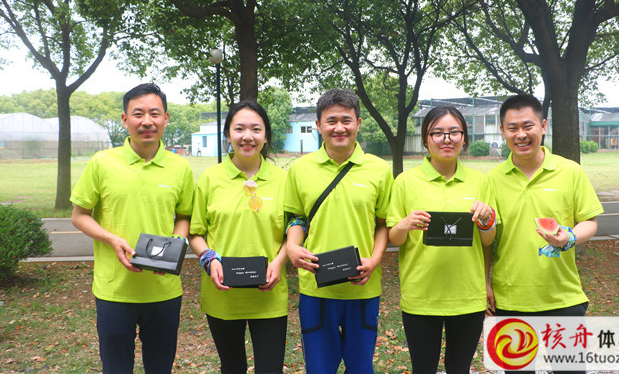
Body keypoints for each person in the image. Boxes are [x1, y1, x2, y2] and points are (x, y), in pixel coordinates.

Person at [70, 83, 194, 374]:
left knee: (160, 368)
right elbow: (79, 215)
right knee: (116, 368)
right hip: (114, 290)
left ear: (166, 118)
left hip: (163, 289)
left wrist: (174, 248)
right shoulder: (102, 163)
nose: (147, 121)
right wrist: (112, 239)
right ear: (125, 120)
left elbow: (184, 216)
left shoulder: (181, 168)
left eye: (155, 113)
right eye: (138, 114)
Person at [486, 93, 602, 374]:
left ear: (543, 126)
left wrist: (569, 238)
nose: (521, 134)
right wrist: (484, 282)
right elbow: (487, 241)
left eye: (528, 126)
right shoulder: (491, 179)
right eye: (512, 128)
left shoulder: (570, 171)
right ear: (502, 131)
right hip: (510, 298)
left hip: (563, 296)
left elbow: (589, 221)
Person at [284, 88, 394, 374]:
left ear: (358, 123)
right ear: (318, 125)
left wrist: (375, 260)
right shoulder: (300, 169)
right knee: (319, 368)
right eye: (331, 121)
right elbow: (297, 218)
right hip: (316, 287)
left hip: (362, 287)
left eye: (346, 120)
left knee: (360, 368)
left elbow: (383, 223)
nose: (339, 128)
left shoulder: (379, 170)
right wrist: (292, 247)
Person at [387, 105, 497, 374]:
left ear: (464, 138)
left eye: (454, 132)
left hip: (467, 295)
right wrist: (404, 224)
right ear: (426, 139)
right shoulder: (405, 182)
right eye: (437, 133)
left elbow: (487, 240)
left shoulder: (480, 182)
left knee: (459, 368)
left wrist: (487, 219)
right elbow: (394, 239)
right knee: (423, 368)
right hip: (421, 296)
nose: (446, 139)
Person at [188, 100, 288, 373]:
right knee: (232, 366)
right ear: (228, 134)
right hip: (223, 295)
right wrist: (210, 259)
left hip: (269, 296)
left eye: (256, 129)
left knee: (270, 369)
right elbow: (196, 233)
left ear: (266, 135)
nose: (247, 136)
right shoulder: (210, 179)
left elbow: (294, 230)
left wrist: (279, 262)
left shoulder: (283, 180)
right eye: (239, 129)